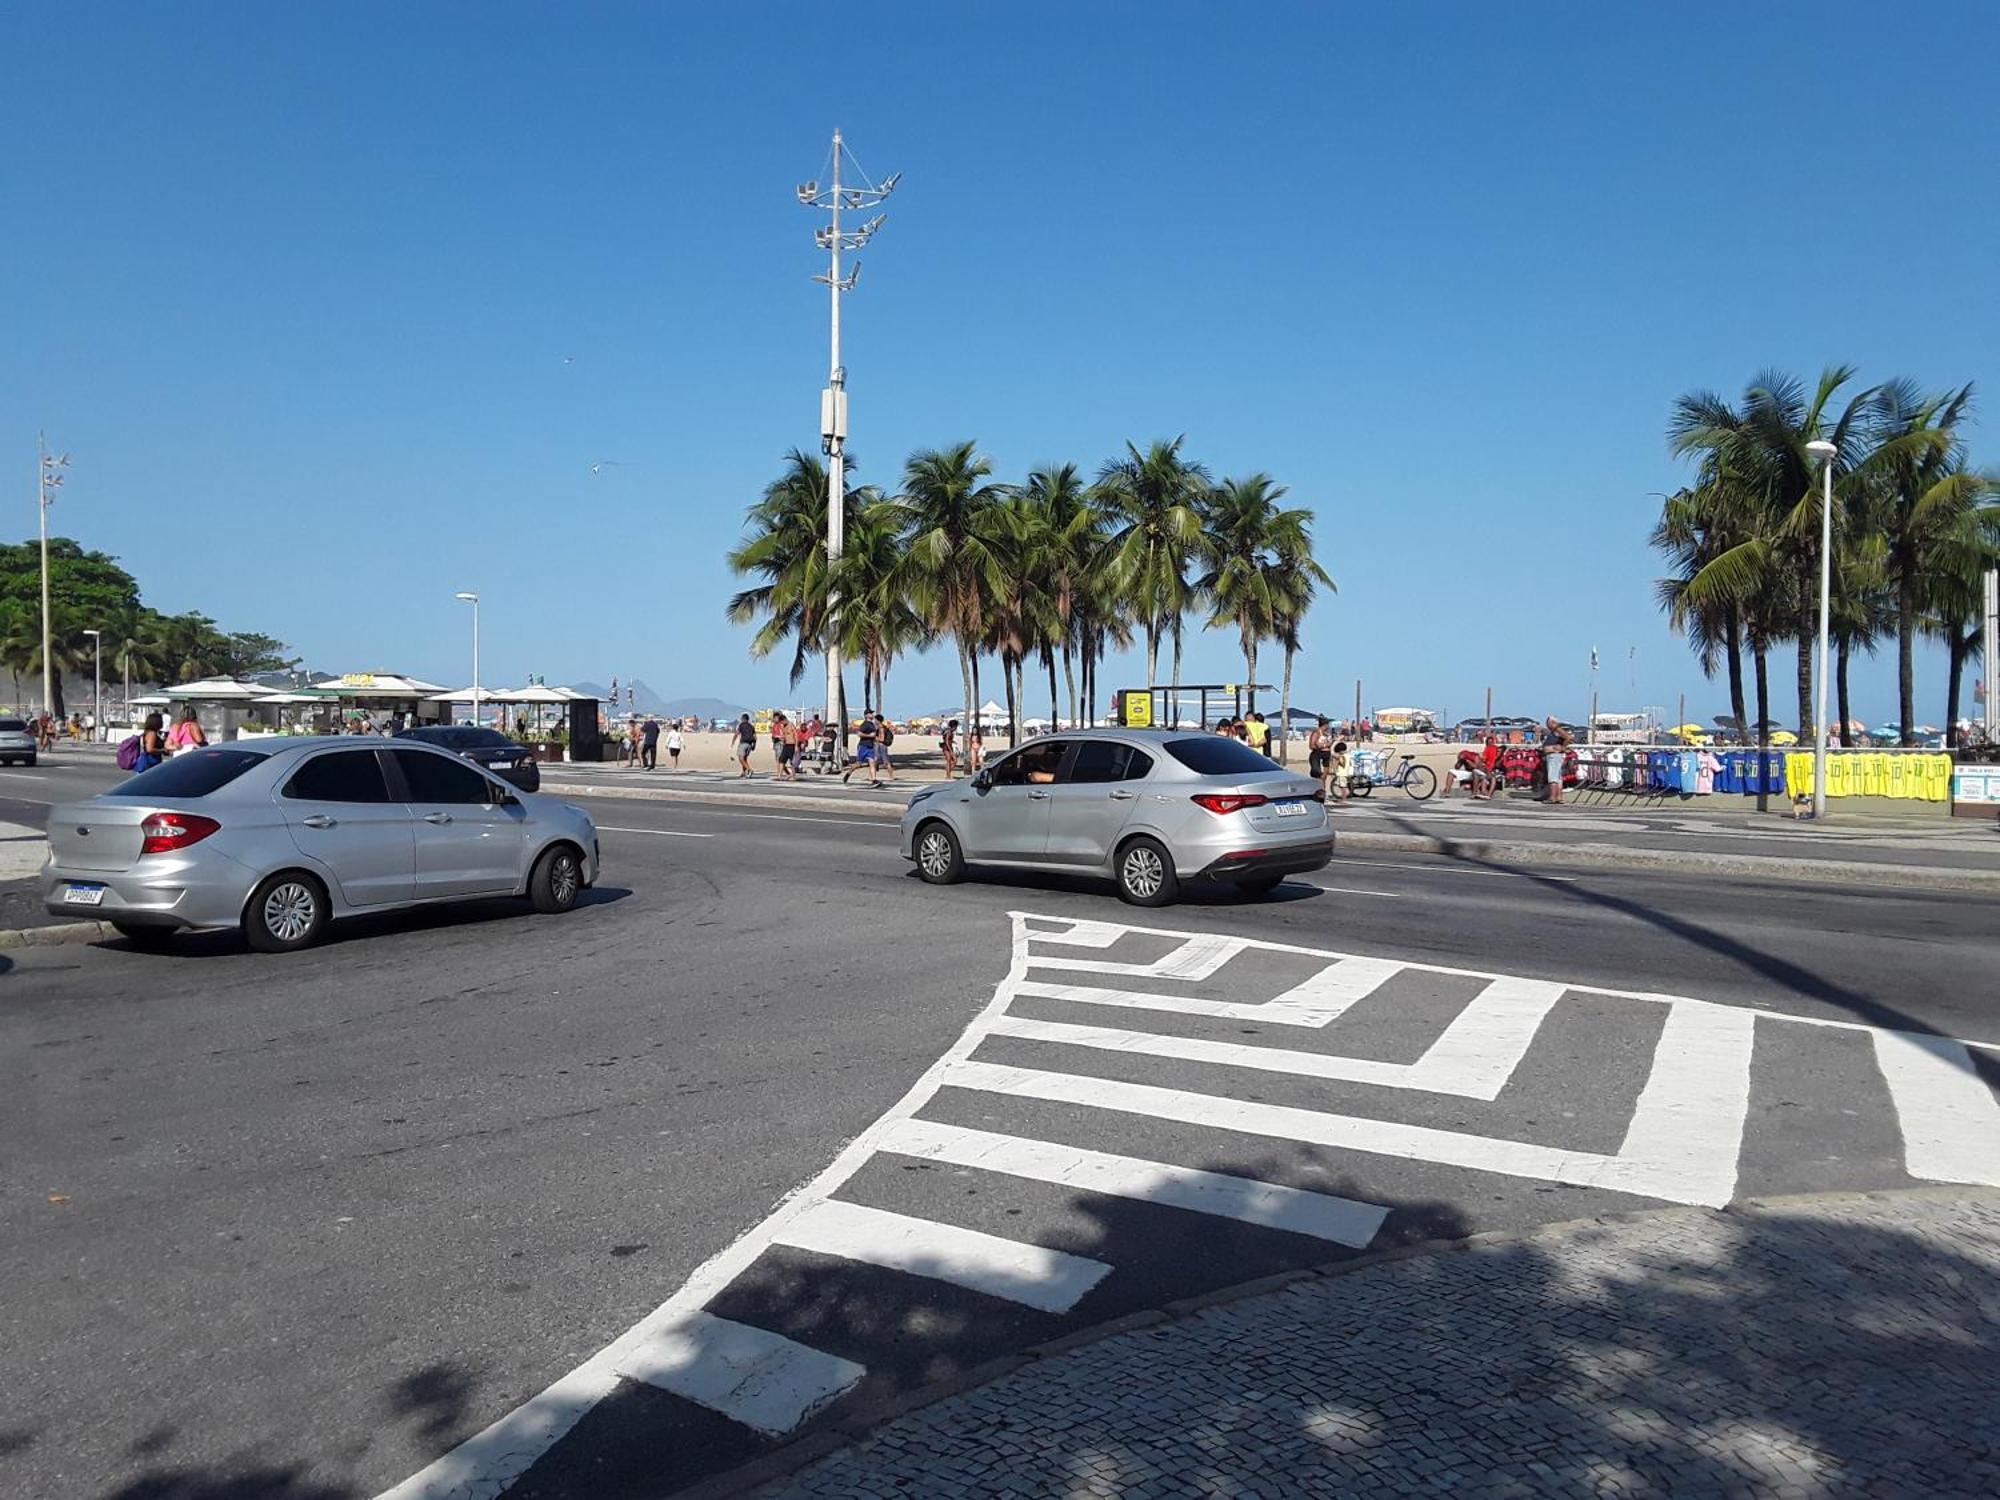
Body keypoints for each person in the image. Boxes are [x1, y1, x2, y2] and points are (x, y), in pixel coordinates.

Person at [844, 710, 883, 786]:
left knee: (872, 763)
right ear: (866, 715)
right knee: (858, 764)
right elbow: (859, 734)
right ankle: (849, 772)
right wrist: (869, 735)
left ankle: (874, 780)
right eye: (870, 713)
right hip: (863, 746)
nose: (872, 714)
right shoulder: (864, 724)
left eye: (872, 713)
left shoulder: (872, 724)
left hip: (870, 746)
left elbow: (874, 735)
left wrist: (876, 739)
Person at [1540, 716, 1570, 804]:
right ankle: (1559, 797)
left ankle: (1552, 797)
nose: (1547, 724)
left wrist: (1562, 747)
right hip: (1555, 755)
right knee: (1558, 778)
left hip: (1554, 755)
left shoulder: (1557, 730)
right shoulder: (1555, 731)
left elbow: (1569, 738)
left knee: (1553, 777)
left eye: (1548, 722)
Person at [1324, 739, 1350, 803]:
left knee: (1342, 786)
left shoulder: (1342, 756)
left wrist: (1338, 761)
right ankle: (1344, 797)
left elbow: (1342, 763)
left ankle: (1344, 799)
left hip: (1342, 773)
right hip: (1345, 772)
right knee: (1343, 786)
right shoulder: (1347, 755)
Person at [876, 715, 896, 779]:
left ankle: (891, 776)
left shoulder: (881, 728)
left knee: (886, 762)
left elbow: (882, 739)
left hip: (881, 746)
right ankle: (873, 776)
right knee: (874, 761)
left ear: (877, 720)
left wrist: (874, 737)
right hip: (881, 746)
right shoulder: (882, 727)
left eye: (875, 720)